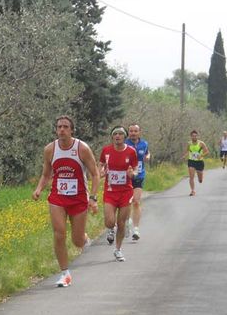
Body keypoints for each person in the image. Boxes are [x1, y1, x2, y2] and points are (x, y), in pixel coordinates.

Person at [32, 115, 100, 287]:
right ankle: (65, 273)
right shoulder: (50, 149)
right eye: (59, 127)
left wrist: (92, 197)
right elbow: (46, 174)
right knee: (59, 234)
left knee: (77, 241)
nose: (61, 129)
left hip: (78, 198)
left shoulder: (81, 148)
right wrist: (39, 189)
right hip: (58, 198)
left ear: (71, 130)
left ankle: (83, 238)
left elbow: (95, 174)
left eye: (65, 127)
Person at [99, 126, 138, 262]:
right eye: (115, 134)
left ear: (125, 136)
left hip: (125, 191)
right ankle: (111, 228)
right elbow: (101, 164)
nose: (117, 136)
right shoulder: (106, 150)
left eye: (120, 134)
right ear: (112, 136)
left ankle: (118, 249)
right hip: (110, 192)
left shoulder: (131, 152)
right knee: (109, 221)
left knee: (121, 222)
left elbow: (136, 169)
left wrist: (132, 174)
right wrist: (101, 172)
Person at [125, 124, 150, 241]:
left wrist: (148, 157)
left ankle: (136, 229)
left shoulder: (144, 143)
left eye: (135, 131)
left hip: (139, 175)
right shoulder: (124, 144)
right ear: (128, 132)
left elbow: (147, 153)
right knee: (125, 203)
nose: (133, 133)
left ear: (139, 132)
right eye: (131, 131)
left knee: (136, 201)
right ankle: (126, 221)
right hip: (126, 177)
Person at [182, 130, 209, 196]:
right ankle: (192, 191)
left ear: (197, 136)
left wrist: (201, 155)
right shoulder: (189, 143)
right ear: (191, 137)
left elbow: (207, 152)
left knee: (200, 179)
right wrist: (184, 156)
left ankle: (200, 178)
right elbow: (187, 151)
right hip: (191, 161)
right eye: (193, 136)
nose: (194, 137)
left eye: (195, 136)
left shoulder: (201, 143)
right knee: (191, 177)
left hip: (199, 162)